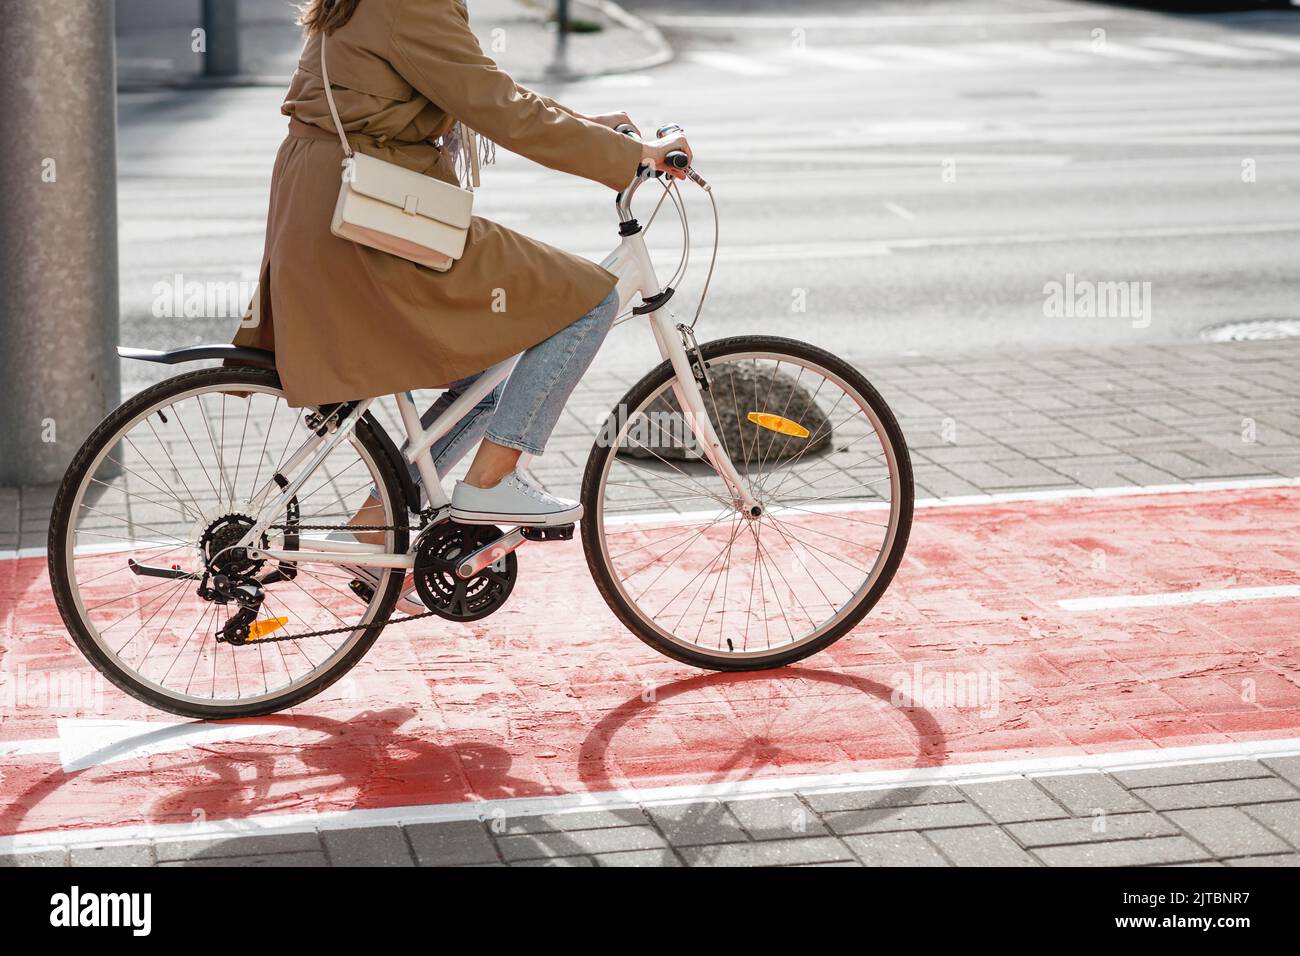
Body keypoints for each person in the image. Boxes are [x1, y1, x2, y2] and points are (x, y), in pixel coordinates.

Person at [231, 0, 692, 542]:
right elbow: (498, 107)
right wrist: (632, 156)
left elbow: (474, 89)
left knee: (486, 359)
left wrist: (594, 131)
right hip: (366, 212)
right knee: (589, 300)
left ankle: (377, 524)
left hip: (340, 202)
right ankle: (492, 481)